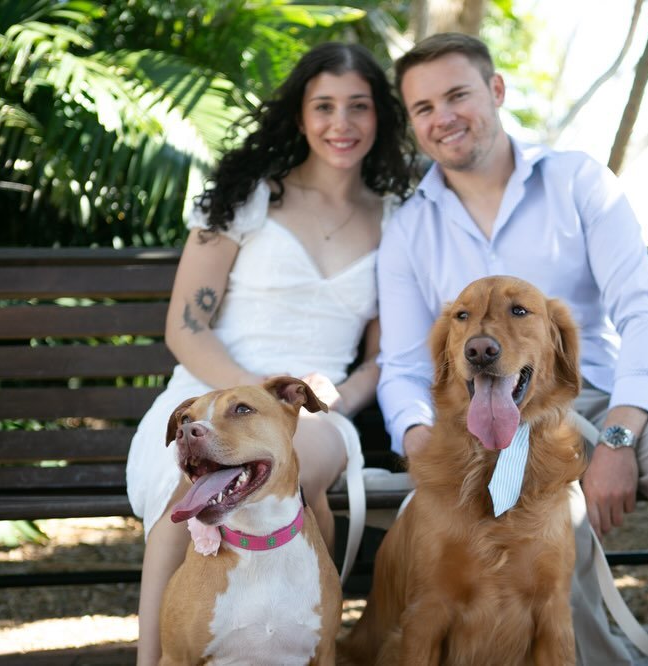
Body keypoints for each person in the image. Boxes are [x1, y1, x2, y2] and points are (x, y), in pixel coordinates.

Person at [376, 32, 648, 665]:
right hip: (484, 416)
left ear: (496, 91)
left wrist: (620, 433)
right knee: (517, 513)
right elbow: (399, 366)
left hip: (602, 396)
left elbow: (644, 312)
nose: (442, 117)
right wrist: (420, 439)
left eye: (457, 95)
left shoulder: (577, 182)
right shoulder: (408, 226)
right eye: (423, 108)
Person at [125, 41, 412, 665]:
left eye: (359, 107)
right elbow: (185, 327)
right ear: (300, 115)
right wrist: (249, 398)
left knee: (296, 473)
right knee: (186, 488)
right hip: (206, 387)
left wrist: (310, 403)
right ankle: (157, 657)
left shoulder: (398, 219)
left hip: (311, 408)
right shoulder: (243, 196)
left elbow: (380, 359)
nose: (342, 124)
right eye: (325, 106)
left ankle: (291, 645)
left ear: (380, 118)